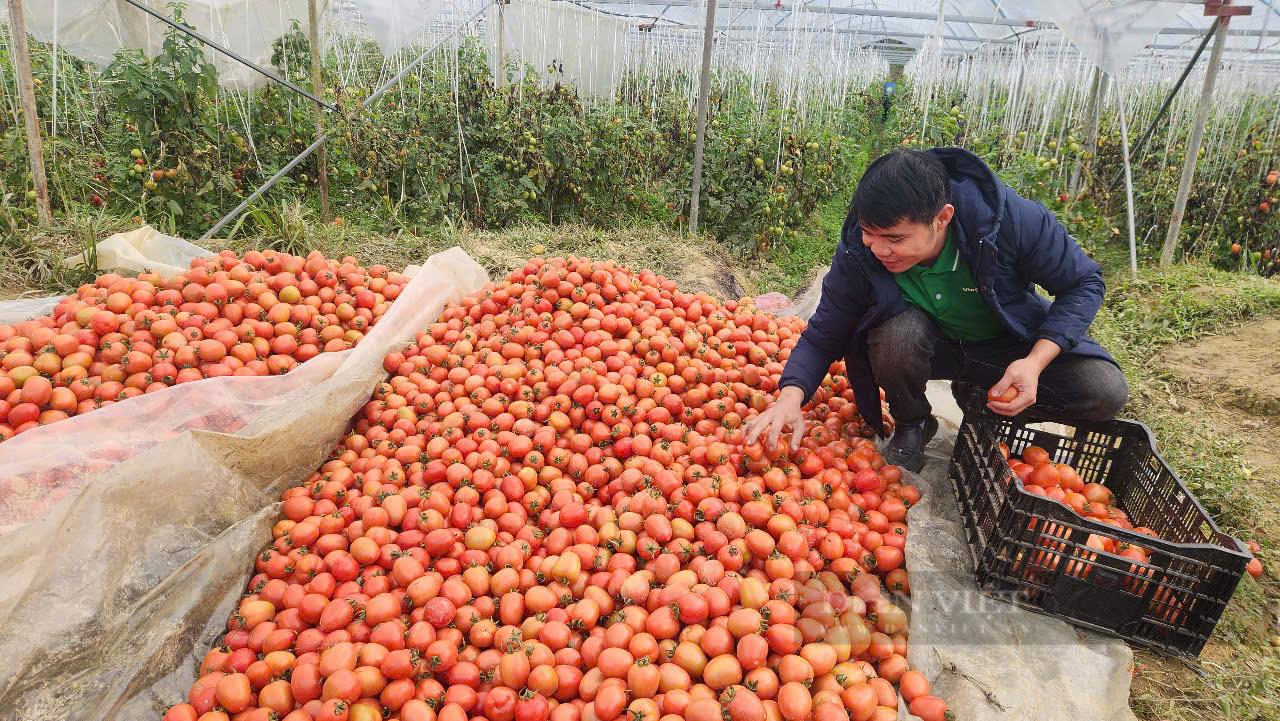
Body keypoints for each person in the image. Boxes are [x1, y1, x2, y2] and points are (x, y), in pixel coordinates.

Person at [745, 148, 1127, 473]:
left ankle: (983, 404)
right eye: (869, 233)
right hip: (928, 348)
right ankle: (913, 423)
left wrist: (1035, 362)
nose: (878, 249)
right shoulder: (858, 252)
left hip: (1002, 343)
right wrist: (790, 397)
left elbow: (1083, 283)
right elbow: (824, 333)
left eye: (895, 239)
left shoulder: (1008, 221)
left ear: (942, 218)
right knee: (895, 335)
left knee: (1104, 390)